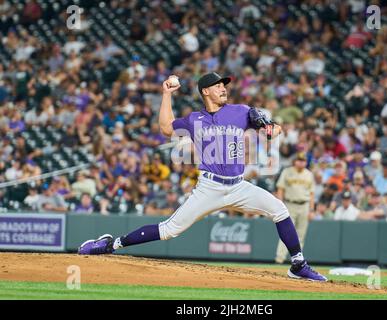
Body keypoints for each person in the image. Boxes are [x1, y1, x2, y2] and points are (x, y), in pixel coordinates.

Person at [77, 72, 327, 281]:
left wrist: (273, 128)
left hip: (239, 186)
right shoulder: (194, 119)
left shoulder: (240, 111)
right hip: (210, 188)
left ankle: (298, 264)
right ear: (205, 91)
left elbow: (270, 124)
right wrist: (166, 94)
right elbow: (166, 128)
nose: (223, 88)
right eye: (217, 85)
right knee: (169, 230)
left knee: (279, 210)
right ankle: (111, 245)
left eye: (224, 85)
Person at [274, 152, 315, 264]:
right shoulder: (287, 172)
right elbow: (280, 189)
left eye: (303, 161)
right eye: (299, 160)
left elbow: (312, 194)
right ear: (294, 161)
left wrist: (311, 210)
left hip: (304, 205)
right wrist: (279, 205)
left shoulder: (309, 174)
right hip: (290, 205)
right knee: (286, 233)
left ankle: (298, 261)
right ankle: (279, 259)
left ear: (306, 162)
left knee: (301, 234)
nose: (301, 162)